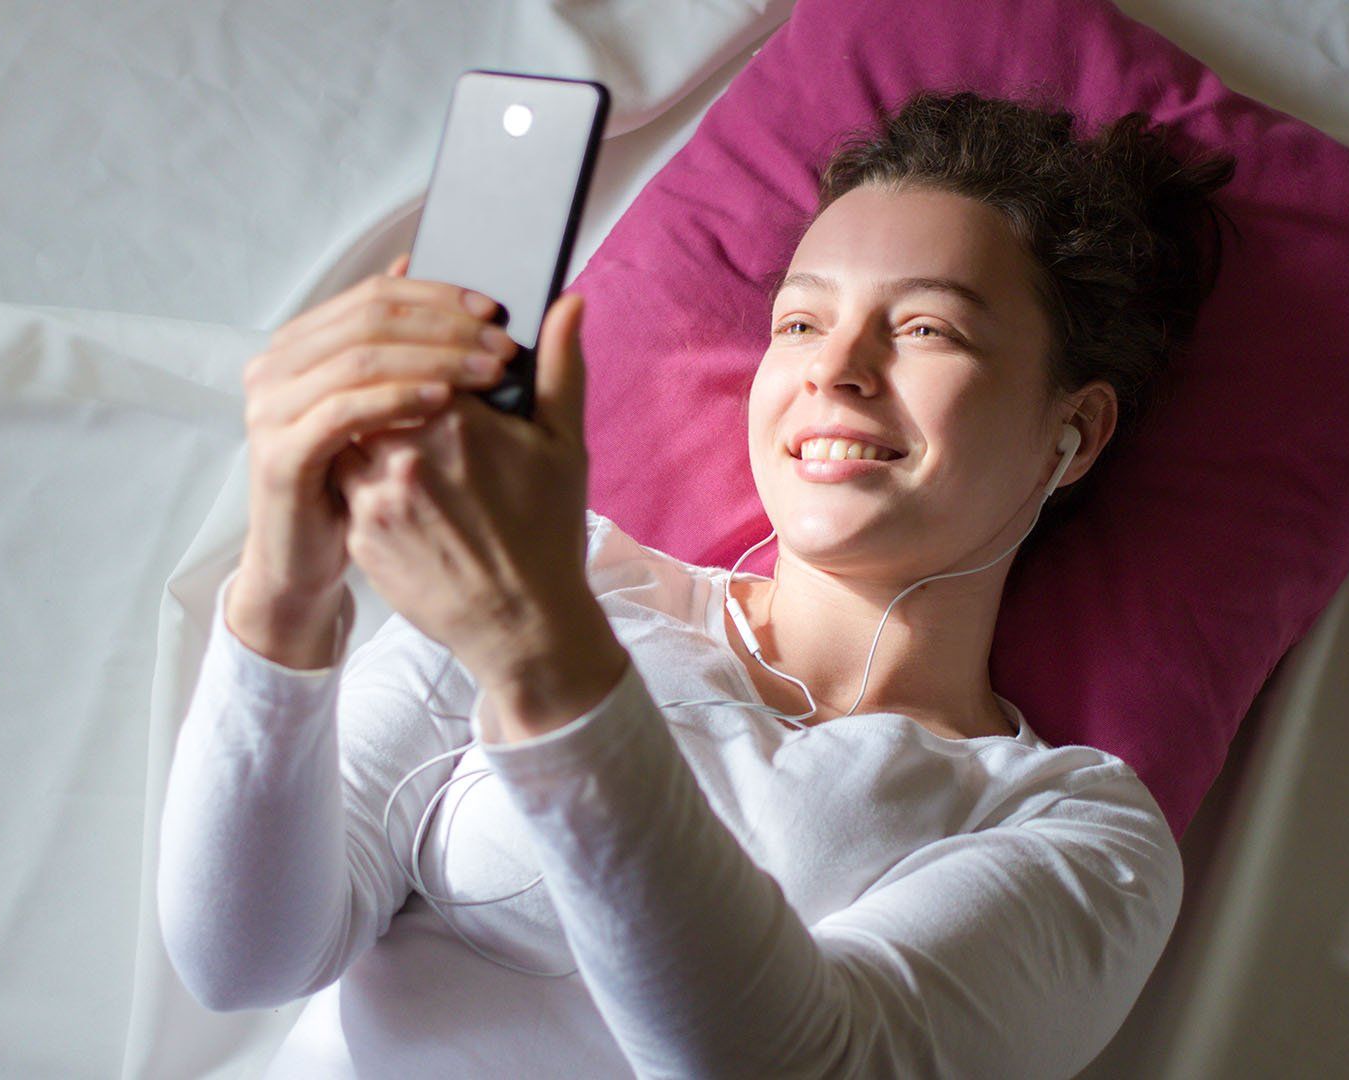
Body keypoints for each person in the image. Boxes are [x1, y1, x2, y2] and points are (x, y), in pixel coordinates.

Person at [157, 88, 1237, 1078]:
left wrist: (541, 662)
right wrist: (283, 602)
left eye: (925, 329)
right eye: (801, 321)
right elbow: (242, 963)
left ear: (1075, 429)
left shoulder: (1076, 831)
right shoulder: (572, 571)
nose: (836, 368)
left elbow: (798, 1064)